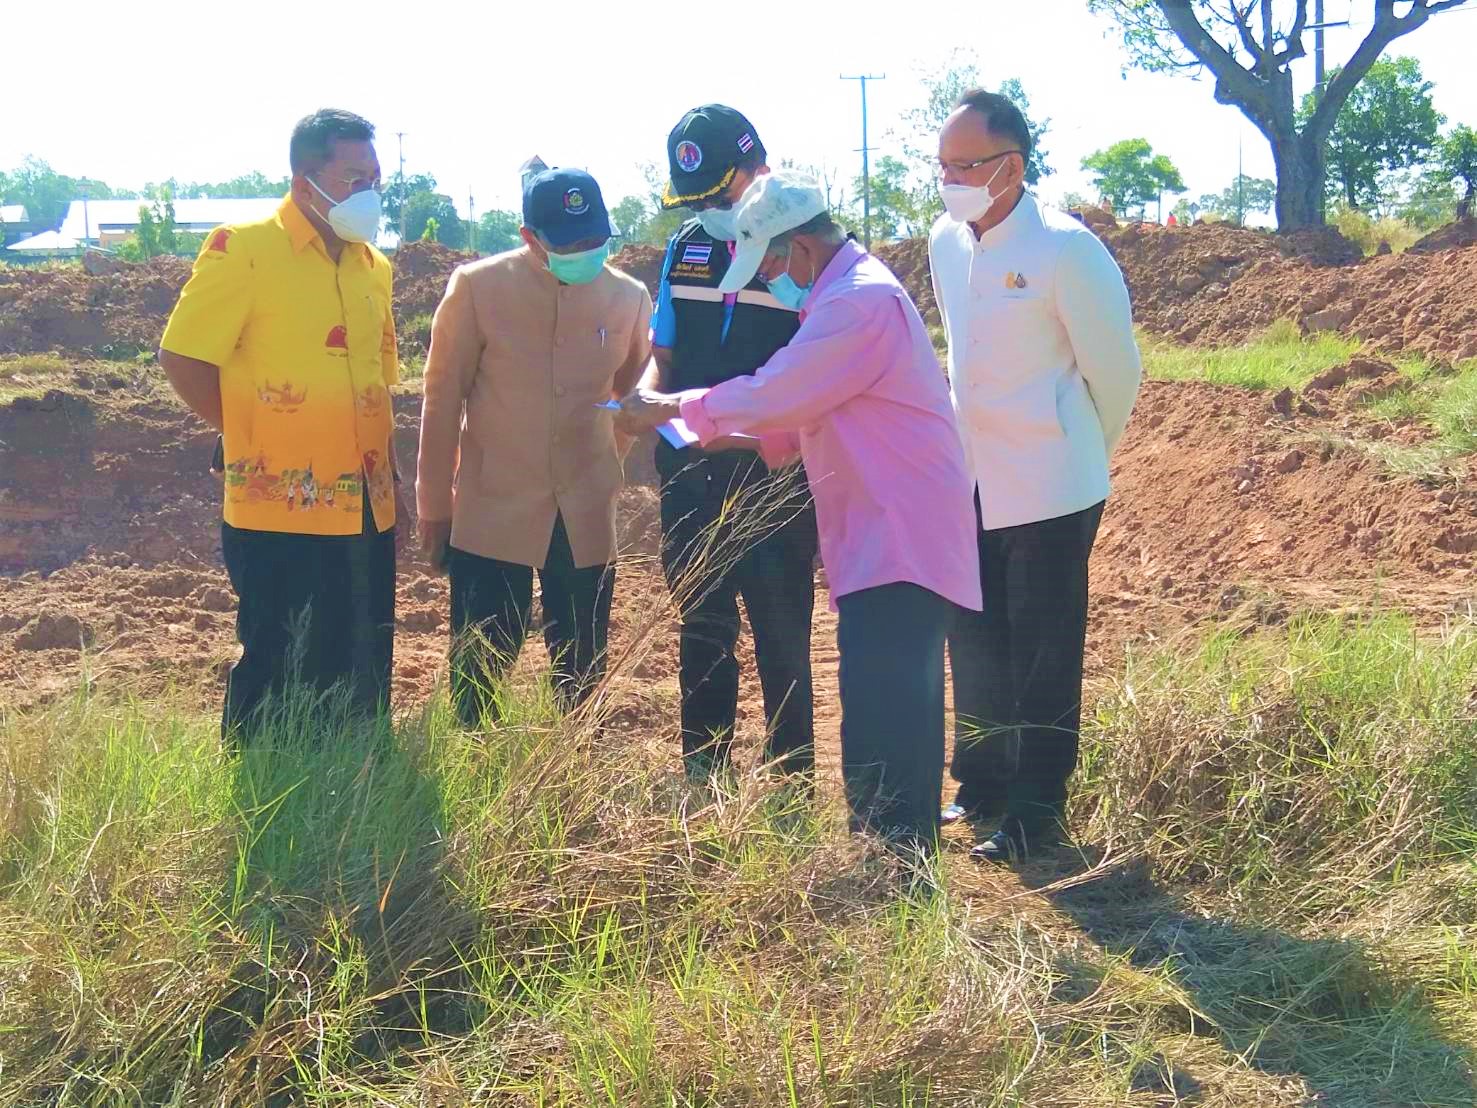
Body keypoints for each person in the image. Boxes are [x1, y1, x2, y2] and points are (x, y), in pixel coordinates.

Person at [619, 172, 981, 856]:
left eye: (776, 265)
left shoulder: (856, 303)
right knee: (879, 700)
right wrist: (715, 432)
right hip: (884, 528)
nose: (776, 281)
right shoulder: (845, 297)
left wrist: (672, 408)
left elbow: (780, 390)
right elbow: (798, 417)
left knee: (888, 707)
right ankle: (888, 860)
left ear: (802, 250)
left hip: (899, 530)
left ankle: (896, 868)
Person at [929, 90, 1142, 862]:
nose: (948, 179)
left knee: (1043, 652)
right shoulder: (945, 243)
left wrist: (1077, 449)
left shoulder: (1066, 249)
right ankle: (980, 782)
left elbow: (1114, 370)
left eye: (963, 165)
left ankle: (1036, 811)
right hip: (973, 478)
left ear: (1010, 167)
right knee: (975, 639)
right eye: (942, 165)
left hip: (1052, 484)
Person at [159, 108, 406, 742]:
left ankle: (358, 784)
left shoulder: (372, 266)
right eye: (354, 177)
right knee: (279, 656)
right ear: (305, 182)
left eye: (376, 178)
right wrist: (244, 431)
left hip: (366, 504)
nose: (370, 193)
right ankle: (265, 791)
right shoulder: (243, 249)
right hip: (278, 504)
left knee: (362, 655)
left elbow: (378, 381)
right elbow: (183, 356)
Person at [415, 168, 651, 727]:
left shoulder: (628, 298)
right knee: (480, 663)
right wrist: (435, 506)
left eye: (595, 240)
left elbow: (635, 400)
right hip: (493, 505)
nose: (584, 253)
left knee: (581, 666)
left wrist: (604, 468)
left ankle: (567, 773)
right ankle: (476, 767)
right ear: (530, 237)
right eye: (568, 244)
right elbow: (441, 400)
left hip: (585, 512)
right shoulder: (478, 288)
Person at [645, 104, 819, 777]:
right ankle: (703, 774)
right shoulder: (685, 245)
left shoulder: (800, 255)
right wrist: (644, 397)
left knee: (782, 633)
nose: (714, 208)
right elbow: (663, 349)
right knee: (702, 627)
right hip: (689, 471)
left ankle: (789, 780)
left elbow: (818, 368)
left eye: (724, 191)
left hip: (771, 476)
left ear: (760, 170)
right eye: (699, 199)